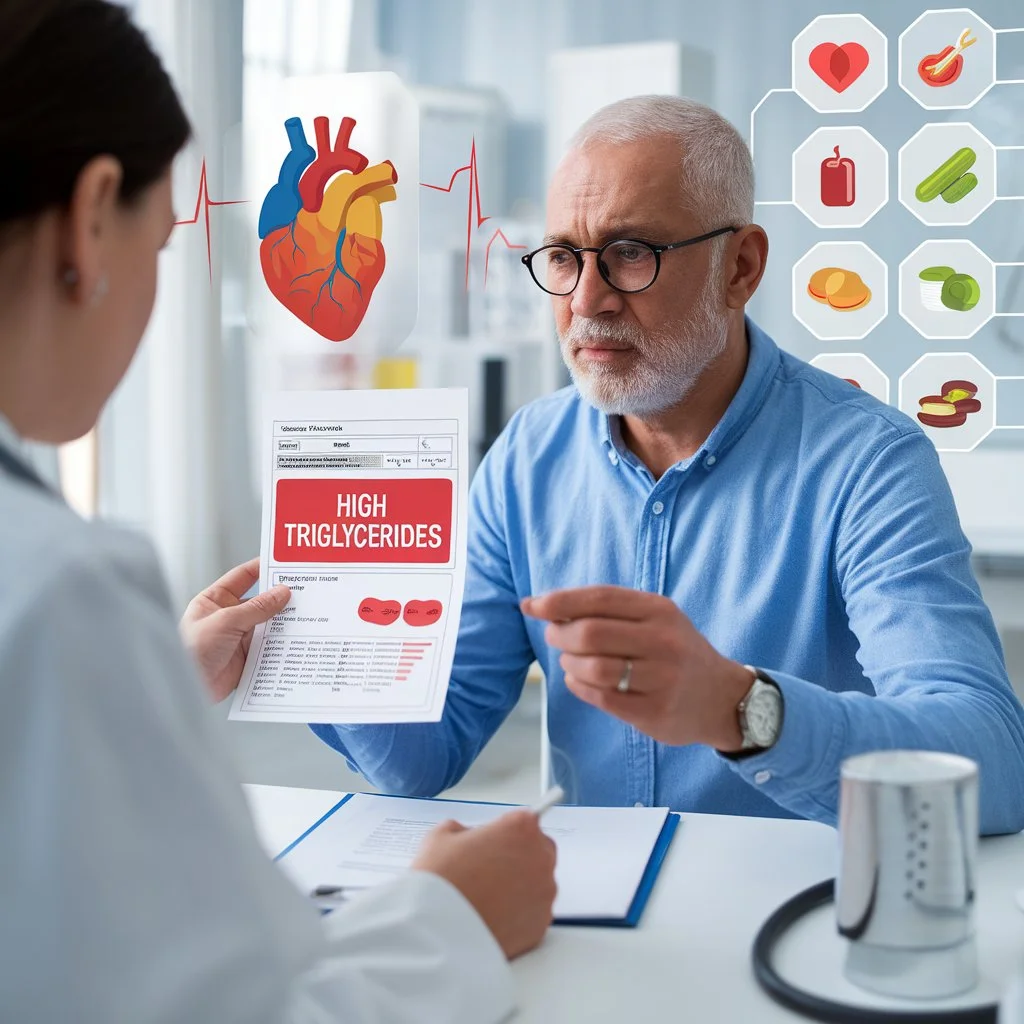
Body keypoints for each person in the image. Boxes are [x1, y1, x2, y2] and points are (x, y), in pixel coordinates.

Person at [0, 3, 556, 1023]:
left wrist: (152, 686)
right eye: (166, 239)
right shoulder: (58, 586)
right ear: (91, 216)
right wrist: (454, 917)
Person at [315, 94, 1024, 836]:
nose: (587, 300)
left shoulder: (867, 464)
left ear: (740, 267)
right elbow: (427, 756)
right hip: (588, 920)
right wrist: (315, 660)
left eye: (630, 253)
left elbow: (994, 769)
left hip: (788, 923)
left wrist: (742, 709)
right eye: (563, 256)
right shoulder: (526, 458)